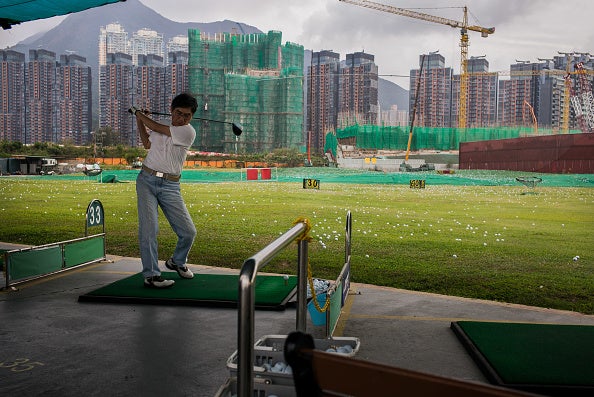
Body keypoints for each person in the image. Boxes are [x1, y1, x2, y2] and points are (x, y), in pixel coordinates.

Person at [130, 93, 198, 288]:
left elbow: (155, 127)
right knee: (149, 229)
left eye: (187, 115)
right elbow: (146, 143)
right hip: (146, 181)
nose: (182, 119)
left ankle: (177, 261)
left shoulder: (188, 132)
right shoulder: (160, 127)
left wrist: (139, 113)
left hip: (170, 186)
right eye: (178, 113)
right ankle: (151, 275)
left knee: (188, 232)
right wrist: (139, 119)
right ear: (171, 110)